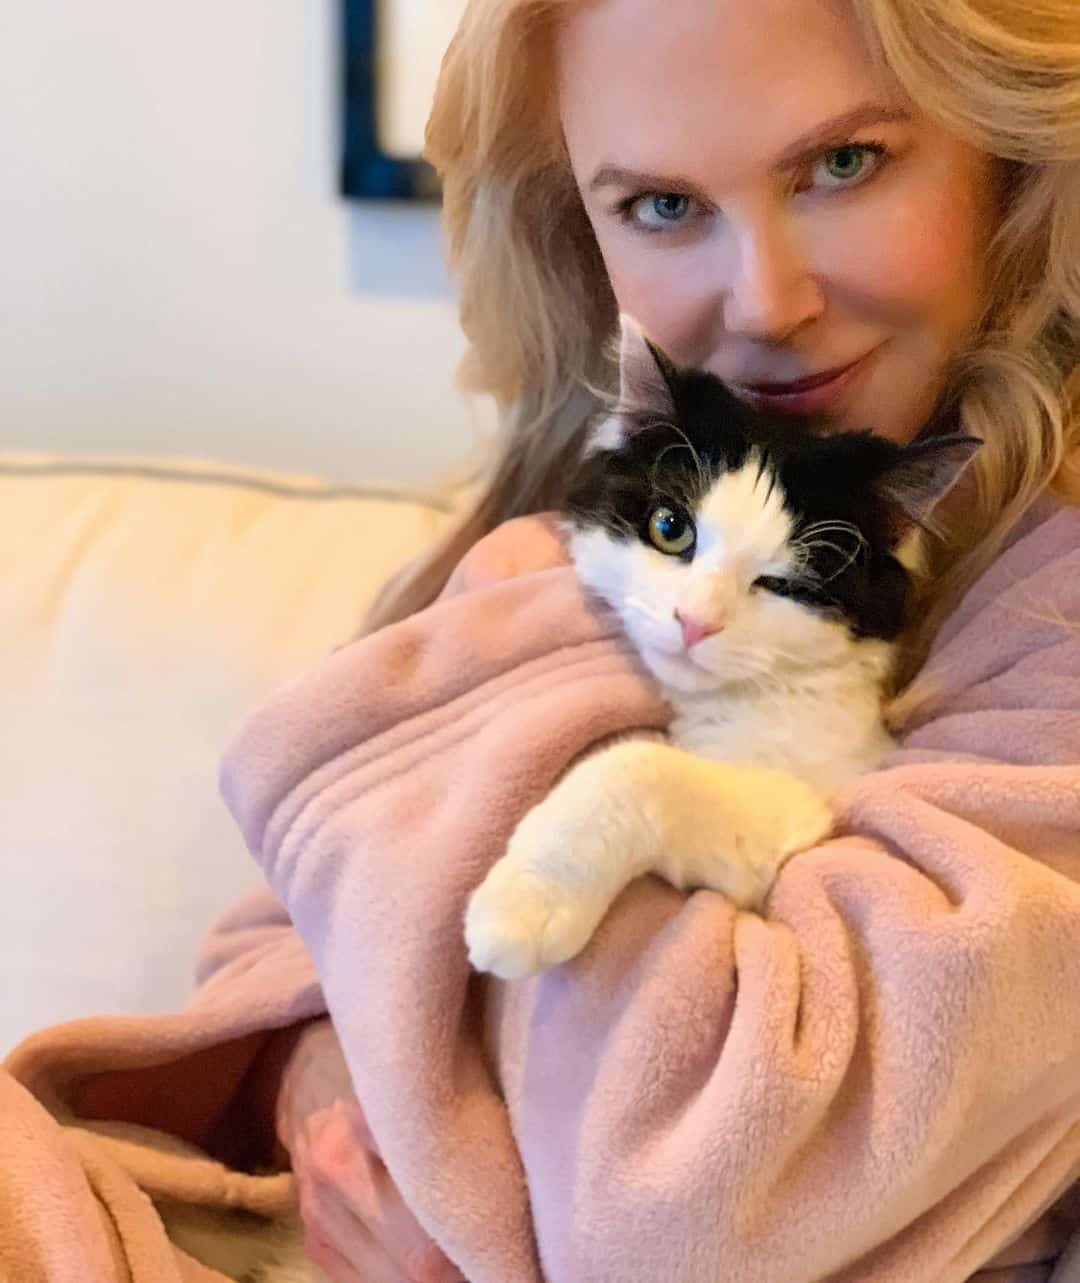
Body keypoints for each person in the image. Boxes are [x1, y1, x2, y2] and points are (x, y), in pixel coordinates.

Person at [4, 0, 1078, 1281]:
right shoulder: (603, 506)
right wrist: (346, 1114)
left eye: (843, 164)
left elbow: (667, 1208)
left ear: (1015, 153)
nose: (766, 300)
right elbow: (273, 935)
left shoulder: (1047, 612)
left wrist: (529, 634)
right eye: (662, 207)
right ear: (580, 226)